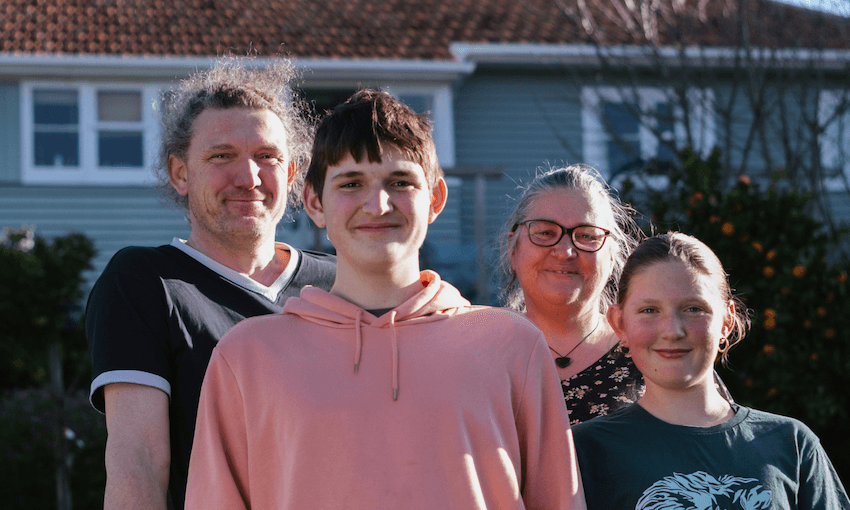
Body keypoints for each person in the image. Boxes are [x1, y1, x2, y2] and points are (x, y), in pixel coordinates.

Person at [185, 89, 585, 510]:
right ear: (314, 203)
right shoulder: (248, 357)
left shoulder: (512, 347)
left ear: (434, 199)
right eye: (352, 183)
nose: (378, 205)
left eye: (399, 183)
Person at [86, 58, 336, 510]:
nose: (249, 178)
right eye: (222, 156)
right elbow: (137, 464)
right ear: (180, 172)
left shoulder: (340, 284)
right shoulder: (146, 283)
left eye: (267, 157)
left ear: (293, 172)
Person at [573, 232, 849, 509]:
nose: (672, 331)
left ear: (726, 321)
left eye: (694, 308)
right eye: (649, 310)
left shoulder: (792, 444)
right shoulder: (583, 451)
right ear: (619, 323)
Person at [496, 166, 645, 424]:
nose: (565, 251)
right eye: (545, 233)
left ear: (611, 257)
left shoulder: (651, 351)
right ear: (514, 249)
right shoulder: (478, 354)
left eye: (586, 236)